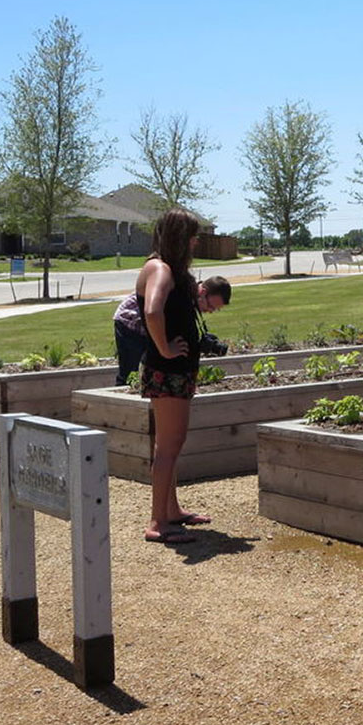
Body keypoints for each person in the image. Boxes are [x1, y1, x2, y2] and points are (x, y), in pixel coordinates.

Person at [137, 208, 210, 544]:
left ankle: (171, 511)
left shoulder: (169, 270)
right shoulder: (160, 269)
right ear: (179, 237)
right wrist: (165, 347)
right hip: (167, 371)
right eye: (192, 235)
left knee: (169, 444)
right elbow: (152, 310)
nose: (196, 241)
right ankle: (157, 522)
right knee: (169, 445)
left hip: (175, 371)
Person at [114, 276, 232, 386]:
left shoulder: (190, 298)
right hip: (131, 320)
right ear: (202, 292)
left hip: (150, 322)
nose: (210, 311)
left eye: (215, 310)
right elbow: (156, 318)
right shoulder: (182, 295)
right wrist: (166, 347)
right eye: (210, 306)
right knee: (130, 372)